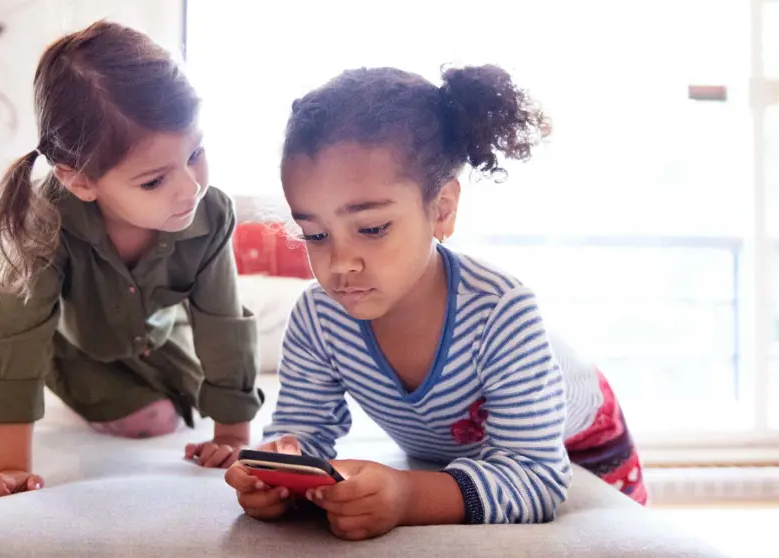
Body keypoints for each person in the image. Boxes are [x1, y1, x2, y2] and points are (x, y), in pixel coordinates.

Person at [225, 63, 645, 540]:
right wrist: (276, 471)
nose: (340, 263)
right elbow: (303, 431)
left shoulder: (502, 312)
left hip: (580, 444)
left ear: (441, 209)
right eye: (315, 234)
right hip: (454, 452)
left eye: (372, 228)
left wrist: (406, 496)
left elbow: (536, 477)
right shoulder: (318, 317)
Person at [0, 21, 264, 500]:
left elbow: (222, 323)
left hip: (160, 346)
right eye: (154, 181)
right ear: (79, 180)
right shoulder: (41, 221)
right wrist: (9, 467)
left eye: (196, 153)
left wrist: (233, 438)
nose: (190, 187)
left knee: (181, 408)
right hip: (78, 354)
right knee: (147, 420)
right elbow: (19, 341)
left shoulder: (211, 213)